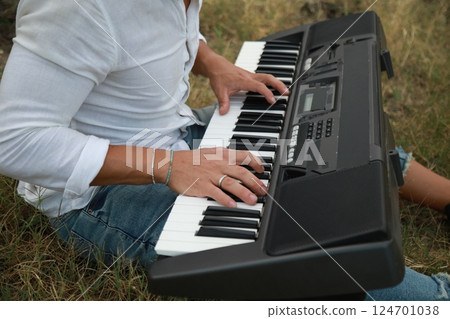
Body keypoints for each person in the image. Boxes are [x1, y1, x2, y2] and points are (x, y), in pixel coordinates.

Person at [0, 0, 448, 301]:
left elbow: (160, 35)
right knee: (301, 249)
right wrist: (166, 164)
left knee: (332, 134)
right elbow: (13, 139)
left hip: (175, 132)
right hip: (98, 190)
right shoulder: (79, 8)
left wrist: (213, 63)